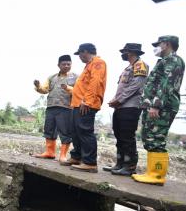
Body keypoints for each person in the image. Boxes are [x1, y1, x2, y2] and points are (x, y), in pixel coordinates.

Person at [132, 35, 185, 185]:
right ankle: (152, 172)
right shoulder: (164, 61)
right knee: (149, 137)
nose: (155, 47)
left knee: (156, 138)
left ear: (166, 44)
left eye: (158, 44)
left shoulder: (174, 60)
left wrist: (156, 105)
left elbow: (166, 84)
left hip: (163, 106)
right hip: (153, 105)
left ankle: (157, 175)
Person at [61, 43, 107, 173]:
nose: (79, 57)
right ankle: (77, 157)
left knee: (85, 131)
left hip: (86, 104)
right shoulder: (89, 65)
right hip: (77, 103)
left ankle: (90, 162)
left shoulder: (98, 62)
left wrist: (87, 100)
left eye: (80, 54)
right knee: (75, 131)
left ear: (85, 52)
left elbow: (95, 82)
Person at [104, 43, 149, 176]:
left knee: (127, 136)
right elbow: (123, 87)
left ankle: (129, 166)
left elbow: (136, 85)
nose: (123, 54)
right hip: (121, 106)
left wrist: (120, 99)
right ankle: (120, 163)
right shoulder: (128, 67)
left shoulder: (140, 65)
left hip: (131, 106)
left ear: (130, 52)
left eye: (124, 52)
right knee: (119, 135)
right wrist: (115, 99)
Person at [33, 55, 78, 164]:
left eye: (69, 64)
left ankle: (63, 155)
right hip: (51, 107)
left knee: (65, 131)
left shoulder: (76, 77)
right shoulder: (52, 77)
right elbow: (45, 90)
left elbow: (79, 91)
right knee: (49, 130)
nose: (66, 66)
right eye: (64, 64)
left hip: (66, 108)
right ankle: (50, 152)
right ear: (58, 65)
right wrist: (38, 86)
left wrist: (67, 88)